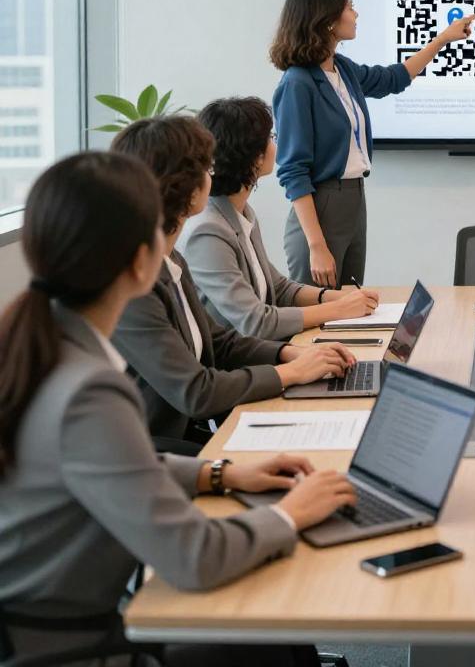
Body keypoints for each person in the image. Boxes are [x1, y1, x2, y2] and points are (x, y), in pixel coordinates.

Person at [0, 151, 357, 666]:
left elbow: (115, 465)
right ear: (141, 260)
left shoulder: (45, 346)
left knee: (271, 635)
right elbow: (196, 557)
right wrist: (290, 513)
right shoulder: (88, 392)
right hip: (70, 651)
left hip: (50, 631)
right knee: (268, 633)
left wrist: (220, 473)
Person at [111, 116, 356, 448]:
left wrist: (291, 353)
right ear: (185, 188)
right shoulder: (134, 287)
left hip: (184, 432)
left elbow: (220, 342)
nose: (212, 174)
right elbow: (197, 392)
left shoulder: (171, 259)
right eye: (205, 168)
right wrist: (292, 372)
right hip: (148, 447)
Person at [271, 0, 475, 287]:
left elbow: (394, 78)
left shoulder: (342, 69)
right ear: (327, 19)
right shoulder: (297, 83)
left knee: (352, 301)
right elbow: (292, 170)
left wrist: (442, 40)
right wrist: (316, 245)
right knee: (319, 308)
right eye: (349, 7)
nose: (356, 14)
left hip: (354, 200)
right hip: (321, 206)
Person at [185, 96, 380, 340]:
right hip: (235, 357)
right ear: (253, 157)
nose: (275, 142)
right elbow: (256, 322)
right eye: (270, 137)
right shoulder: (207, 232)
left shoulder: (242, 213)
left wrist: (338, 297)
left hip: (259, 349)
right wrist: (339, 309)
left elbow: (279, 289)